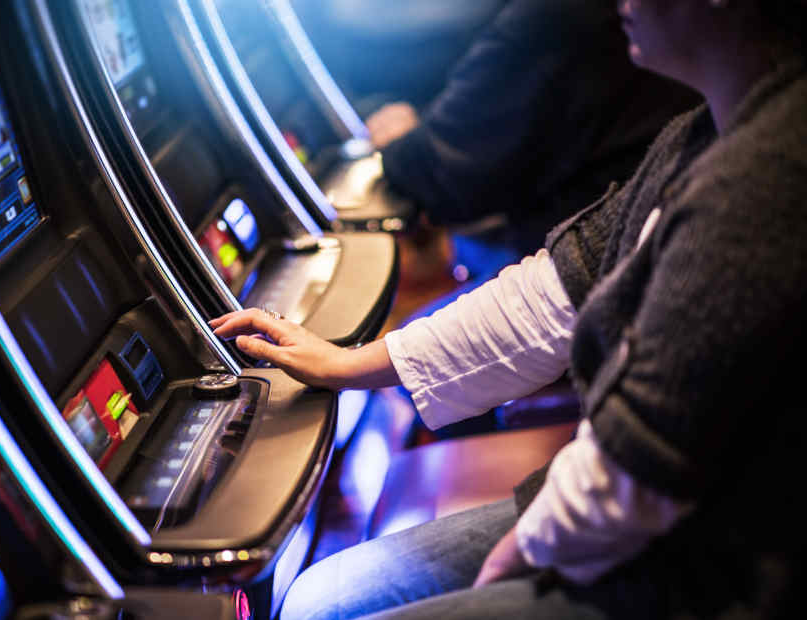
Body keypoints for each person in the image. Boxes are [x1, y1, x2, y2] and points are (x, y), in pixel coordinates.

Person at [212, 0, 807, 617]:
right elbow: (559, 289)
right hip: (660, 514)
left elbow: (646, 464)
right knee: (318, 598)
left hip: (721, 565)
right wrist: (351, 363)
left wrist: (516, 559)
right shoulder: (708, 129)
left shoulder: (766, 177)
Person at [366, 0, 702, 257]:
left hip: (573, 258)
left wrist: (403, 140)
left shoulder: (559, 16)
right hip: (593, 253)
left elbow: (444, 177)